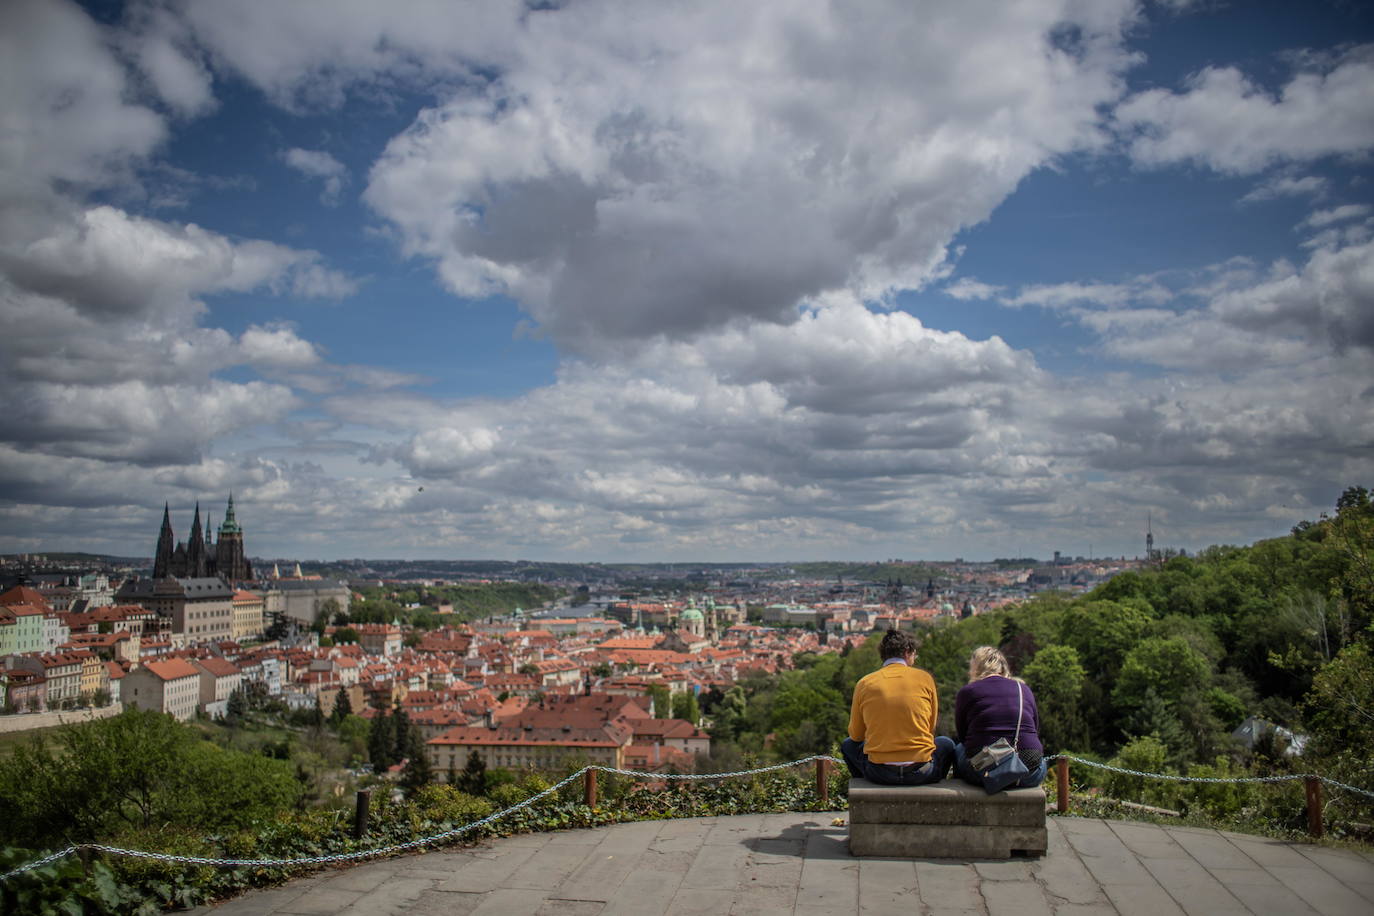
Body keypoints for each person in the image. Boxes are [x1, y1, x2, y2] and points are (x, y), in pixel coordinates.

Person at [841, 629, 954, 786]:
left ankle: (866, 789)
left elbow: (856, 735)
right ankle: (934, 786)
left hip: (879, 772)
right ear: (907, 652)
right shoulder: (925, 679)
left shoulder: (865, 683)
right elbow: (930, 728)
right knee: (946, 744)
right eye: (915, 654)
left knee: (847, 745)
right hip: (921, 771)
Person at [953, 646, 1046, 790]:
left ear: (975, 667)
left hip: (985, 771)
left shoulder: (968, 692)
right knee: (1042, 761)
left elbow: (963, 736)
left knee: (958, 748)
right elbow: (1035, 728)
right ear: (1003, 667)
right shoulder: (1023, 689)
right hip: (1027, 772)